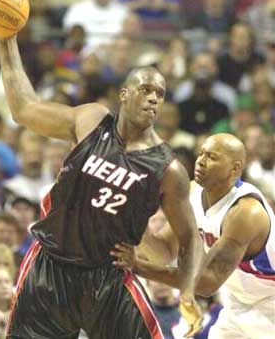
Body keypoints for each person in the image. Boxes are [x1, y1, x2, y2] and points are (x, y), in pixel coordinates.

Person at [0, 35, 203, 339]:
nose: (153, 98)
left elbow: (189, 240)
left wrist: (186, 291)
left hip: (107, 277)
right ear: (124, 93)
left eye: (160, 93)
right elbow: (24, 109)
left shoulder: (168, 169)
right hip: (50, 266)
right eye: (145, 89)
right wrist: (7, 41)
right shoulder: (91, 120)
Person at [111, 133, 275, 339]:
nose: (201, 161)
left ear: (235, 169)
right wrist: (134, 222)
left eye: (212, 157)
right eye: (201, 154)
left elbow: (207, 283)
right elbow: (164, 251)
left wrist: (138, 266)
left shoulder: (246, 212)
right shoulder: (191, 192)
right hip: (237, 303)